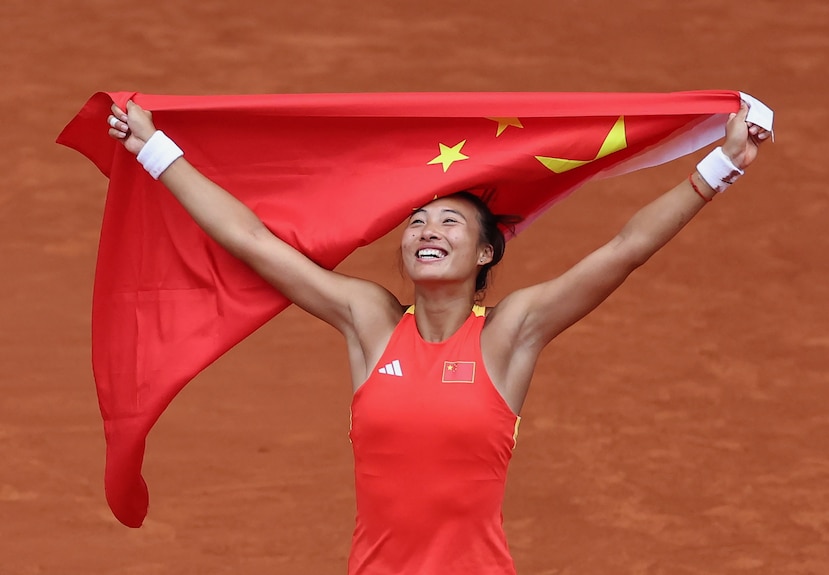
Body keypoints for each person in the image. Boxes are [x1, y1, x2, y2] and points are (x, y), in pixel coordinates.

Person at [107, 99, 770, 574]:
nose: (428, 230)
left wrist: (721, 167)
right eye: (418, 220)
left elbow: (625, 248)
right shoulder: (369, 321)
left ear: (485, 253)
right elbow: (251, 240)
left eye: (451, 223)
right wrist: (154, 149)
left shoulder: (511, 333)